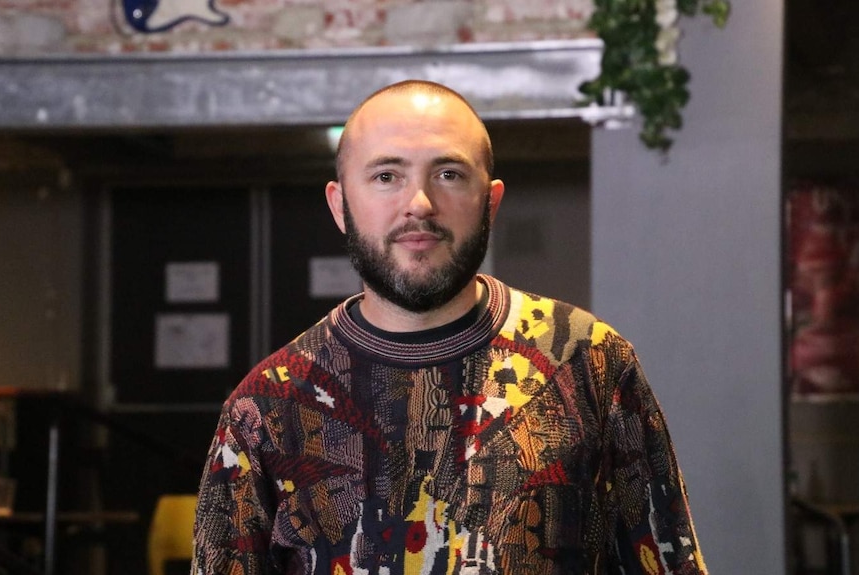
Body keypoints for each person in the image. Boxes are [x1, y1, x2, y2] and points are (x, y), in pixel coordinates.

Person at [191, 79, 707, 575]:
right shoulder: (268, 406)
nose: (419, 203)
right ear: (339, 205)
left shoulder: (586, 360)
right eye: (386, 176)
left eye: (449, 174)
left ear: (491, 200)